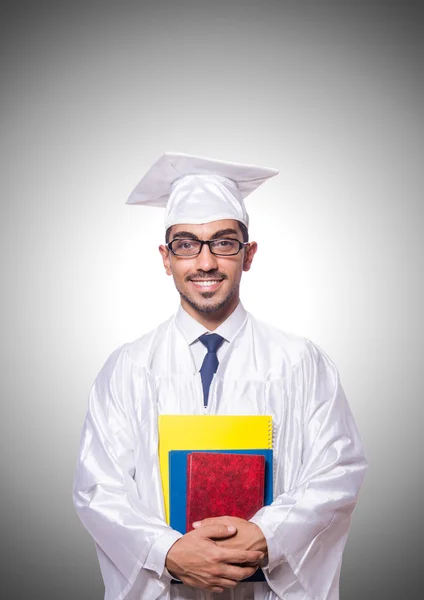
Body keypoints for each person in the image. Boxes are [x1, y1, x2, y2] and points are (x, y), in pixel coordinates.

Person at [73, 152, 367, 600]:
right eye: (186, 244)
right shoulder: (129, 368)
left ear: (248, 256)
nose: (206, 262)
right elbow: (99, 489)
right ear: (165, 259)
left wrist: (268, 537)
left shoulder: (300, 362)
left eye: (224, 243)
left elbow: (337, 471)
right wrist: (168, 550)